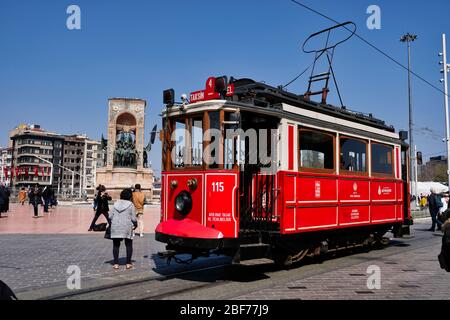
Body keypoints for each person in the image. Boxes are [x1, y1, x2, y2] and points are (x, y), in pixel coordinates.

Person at [109, 188, 137, 270]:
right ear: (130, 196)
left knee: (116, 245)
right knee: (128, 244)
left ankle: (116, 264)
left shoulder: (115, 203)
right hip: (126, 226)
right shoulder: (130, 205)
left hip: (116, 226)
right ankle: (128, 263)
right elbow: (134, 218)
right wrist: (135, 224)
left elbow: (110, 216)